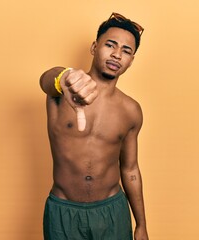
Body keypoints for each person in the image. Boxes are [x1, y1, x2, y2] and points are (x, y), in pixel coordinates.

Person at [39, 12, 148, 240]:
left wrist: (141, 225)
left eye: (126, 51)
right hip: (63, 212)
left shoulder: (131, 110)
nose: (117, 54)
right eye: (110, 45)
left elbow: (130, 169)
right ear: (94, 47)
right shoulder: (62, 92)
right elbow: (47, 79)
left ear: (131, 60)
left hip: (112, 212)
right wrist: (64, 78)